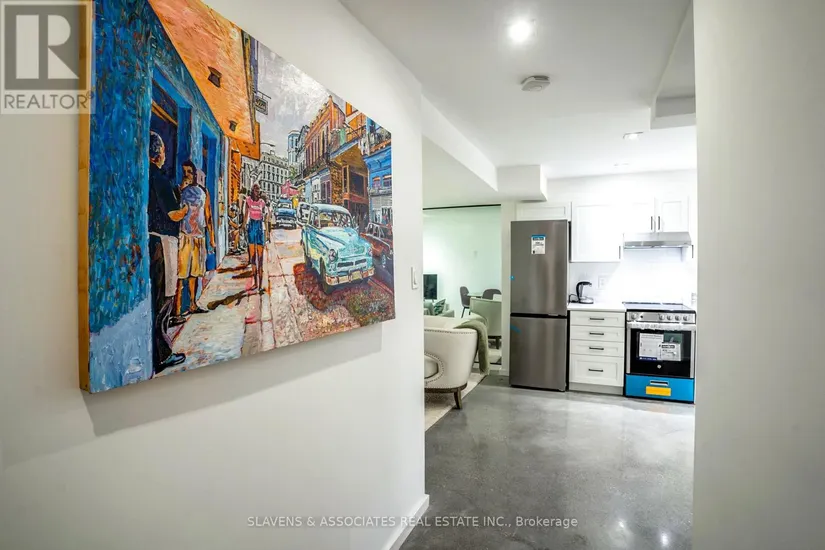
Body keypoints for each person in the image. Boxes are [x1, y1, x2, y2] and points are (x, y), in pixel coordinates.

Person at [147, 131, 187, 374]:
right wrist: (185, 210)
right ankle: (163, 354)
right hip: (163, 242)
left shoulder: (149, 175)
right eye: (163, 150)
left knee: (161, 294)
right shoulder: (159, 178)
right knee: (165, 296)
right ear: (158, 153)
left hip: (155, 240)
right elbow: (173, 214)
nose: (165, 154)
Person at [172, 160, 215, 324]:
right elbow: (175, 211)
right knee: (181, 274)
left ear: (195, 174)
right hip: (184, 236)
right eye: (184, 173)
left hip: (198, 237)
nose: (187, 175)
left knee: (194, 274)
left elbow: (208, 215)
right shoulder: (179, 190)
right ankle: (176, 311)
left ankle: (192, 304)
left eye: (189, 172)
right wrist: (181, 190)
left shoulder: (203, 192)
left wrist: (211, 238)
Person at [244, 184, 267, 293]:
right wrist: (243, 226)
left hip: (260, 229)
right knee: (253, 257)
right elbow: (245, 216)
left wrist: (266, 233)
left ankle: (260, 285)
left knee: (260, 258)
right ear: (252, 191)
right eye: (255, 190)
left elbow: (265, 218)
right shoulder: (248, 201)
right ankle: (256, 282)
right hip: (251, 228)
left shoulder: (262, 202)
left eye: (258, 190)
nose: (257, 192)